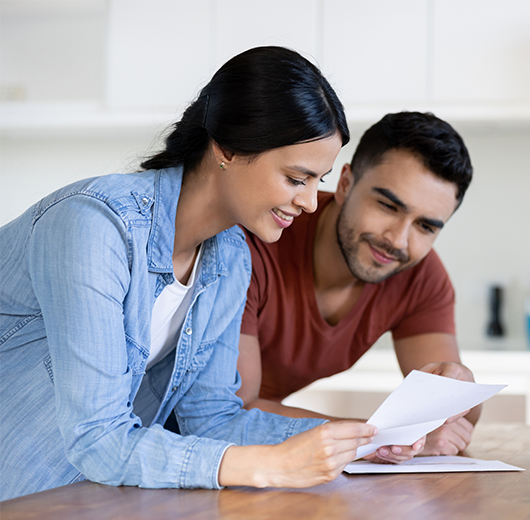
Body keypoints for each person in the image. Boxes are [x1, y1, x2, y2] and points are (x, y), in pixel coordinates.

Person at [0, 46, 379, 502]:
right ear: (227, 148)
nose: (310, 202)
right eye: (297, 179)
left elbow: (213, 419)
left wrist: (365, 440)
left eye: (319, 180)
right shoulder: (94, 226)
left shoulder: (232, 257)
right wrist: (271, 466)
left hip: (65, 498)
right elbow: (97, 437)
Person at [237, 111, 479, 462]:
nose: (397, 240)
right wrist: (378, 438)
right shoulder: (258, 241)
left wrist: (459, 386)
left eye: (425, 227)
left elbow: (459, 424)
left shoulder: (420, 275)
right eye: (387, 205)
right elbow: (229, 413)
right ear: (345, 183)